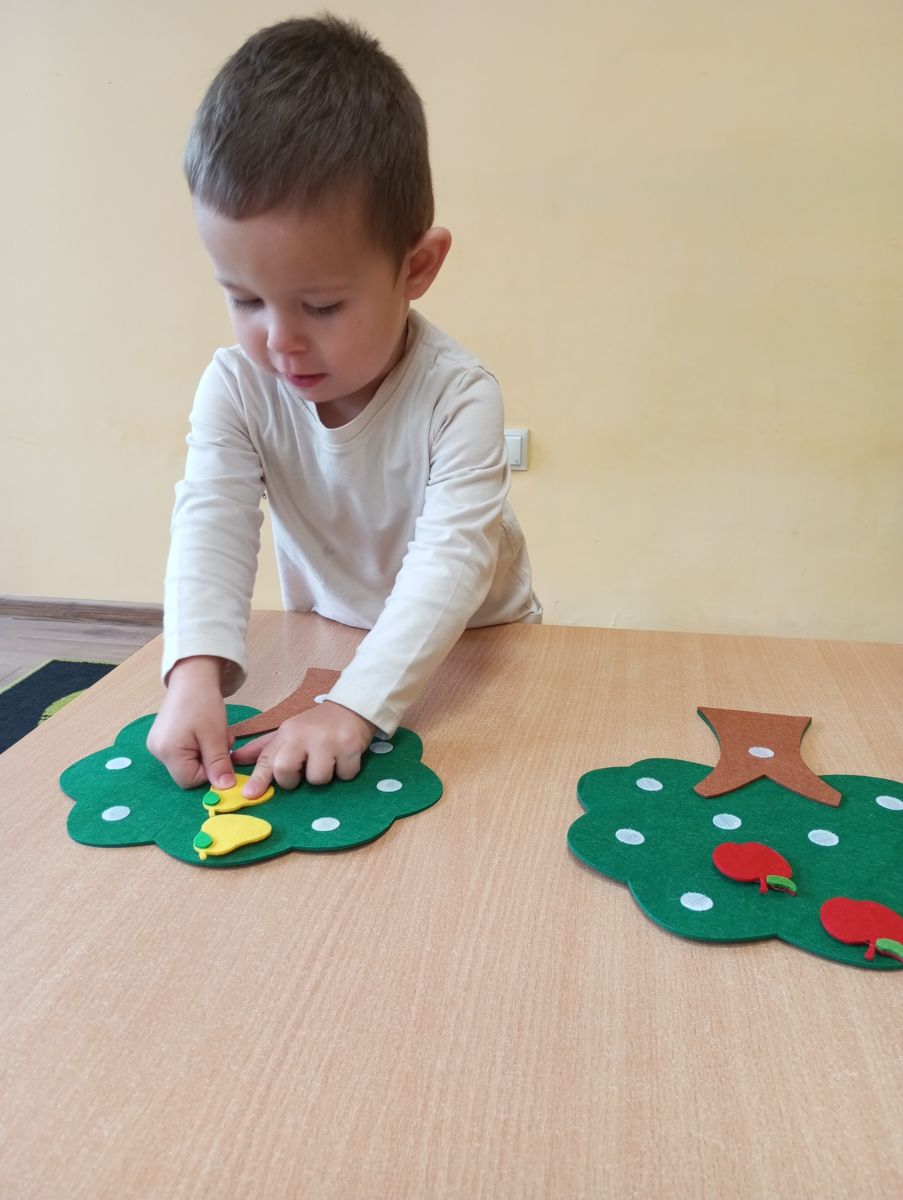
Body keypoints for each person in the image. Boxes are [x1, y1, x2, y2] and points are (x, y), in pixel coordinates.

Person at [147, 15, 540, 799]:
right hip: (332, 638)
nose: (280, 341)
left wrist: (357, 707)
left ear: (416, 266)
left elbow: (451, 563)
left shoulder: (458, 394)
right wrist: (192, 673)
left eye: (321, 306)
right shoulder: (235, 386)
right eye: (244, 298)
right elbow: (212, 522)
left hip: (476, 648)